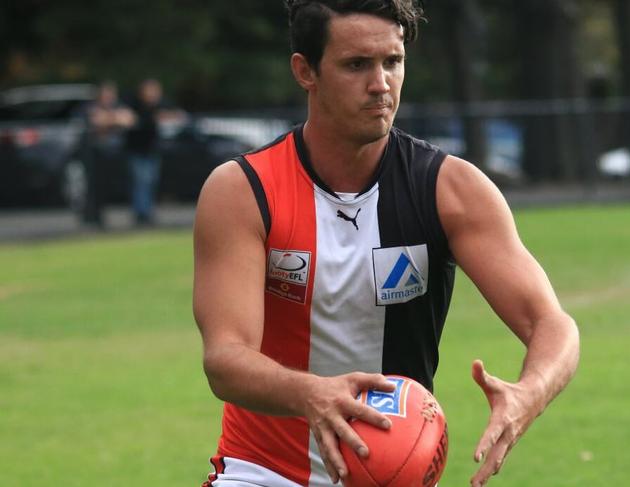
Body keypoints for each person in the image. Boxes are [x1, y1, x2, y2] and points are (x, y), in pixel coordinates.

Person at [193, 1, 580, 486]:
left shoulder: (451, 190)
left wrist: (529, 392)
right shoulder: (243, 190)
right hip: (262, 472)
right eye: (356, 65)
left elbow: (552, 324)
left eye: (392, 62)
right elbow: (225, 359)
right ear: (305, 71)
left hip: (394, 474)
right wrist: (311, 392)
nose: (380, 84)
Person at [125, 78, 185, 225]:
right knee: (141, 180)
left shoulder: (159, 105)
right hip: (137, 149)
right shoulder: (135, 105)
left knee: (151, 180)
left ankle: (147, 210)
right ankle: (141, 213)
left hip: (151, 150)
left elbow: (177, 114)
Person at [79, 81, 134, 227]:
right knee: (94, 186)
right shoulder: (90, 108)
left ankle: (99, 216)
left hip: (113, 154)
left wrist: (107, 118)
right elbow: (96, 121)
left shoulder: (118, 106)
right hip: (95, 154)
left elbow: (128, 120)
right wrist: (115, 119)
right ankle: (92, 216)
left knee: (109, 186)